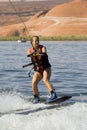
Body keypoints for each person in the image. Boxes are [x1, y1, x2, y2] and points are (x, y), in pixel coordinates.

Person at [27, 36, 57, 103]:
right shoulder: (29, 50)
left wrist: (39, 53)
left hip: (46, 67)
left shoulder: (43, 47)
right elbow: (29, 54)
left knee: (45, 80)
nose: (36, 42)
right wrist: (33, 53)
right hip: (38, 69)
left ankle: (53, 94)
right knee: (33, 83)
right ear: (31, 42)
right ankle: (36, 98)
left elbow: (44, 53)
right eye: (35, 41)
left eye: (37, 40)